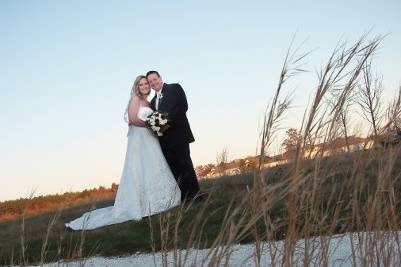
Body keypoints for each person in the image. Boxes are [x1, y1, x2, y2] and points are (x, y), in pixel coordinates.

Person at [65, 75, 181, 230]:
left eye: (146, 83)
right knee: (138, 167)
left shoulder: (149, 102)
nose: (145, 86)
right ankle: (139, 204)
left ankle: (161, 199)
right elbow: (132, 119)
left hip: (150, 138)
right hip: (139, 138)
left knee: (154, 165)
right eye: (141, 84)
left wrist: (157, 124)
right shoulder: (135, 100)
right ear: (137, 87)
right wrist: (150, 124)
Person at [146, 71, 201, 201]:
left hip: (179, 135)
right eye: (150, 82)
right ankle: (185, 197)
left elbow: (183, 107)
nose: (153, 82)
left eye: (155, 79)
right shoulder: (153, 102)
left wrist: (166, 121)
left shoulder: (175, 88)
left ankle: (196, 195)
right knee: (175, 169)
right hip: (164, 141)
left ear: (160, 78)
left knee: (186, 165)